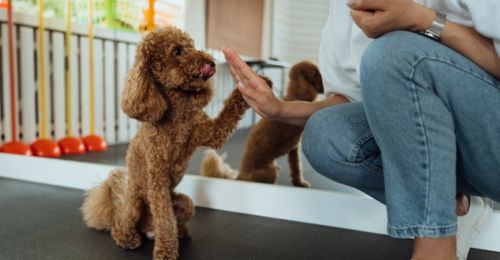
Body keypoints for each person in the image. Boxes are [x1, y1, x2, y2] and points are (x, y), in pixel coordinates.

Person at [223, 0, 500, 259]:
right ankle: (453, 205)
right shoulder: (342, 11)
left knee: (394, 53)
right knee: (326, 135)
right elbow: (346, 102)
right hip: (444, 154)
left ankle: (435, 250)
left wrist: (421, 19)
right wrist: (279, 110)